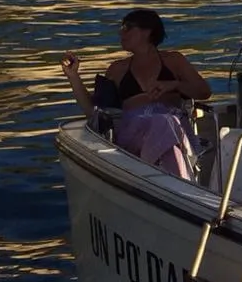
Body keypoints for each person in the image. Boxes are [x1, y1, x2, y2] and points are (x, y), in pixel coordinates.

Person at [60, 10, 211, 176]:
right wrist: (73, 76)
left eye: (128, 27)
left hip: (173, 127)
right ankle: (180, 183)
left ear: (147, 31)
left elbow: (203, 91)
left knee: (166, 123)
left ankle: (162, 178)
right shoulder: (118, 69)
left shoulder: (174, 61)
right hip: (134, 131)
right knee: (163, 123)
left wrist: (173, 85)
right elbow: (93, 112)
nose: (121, 32)